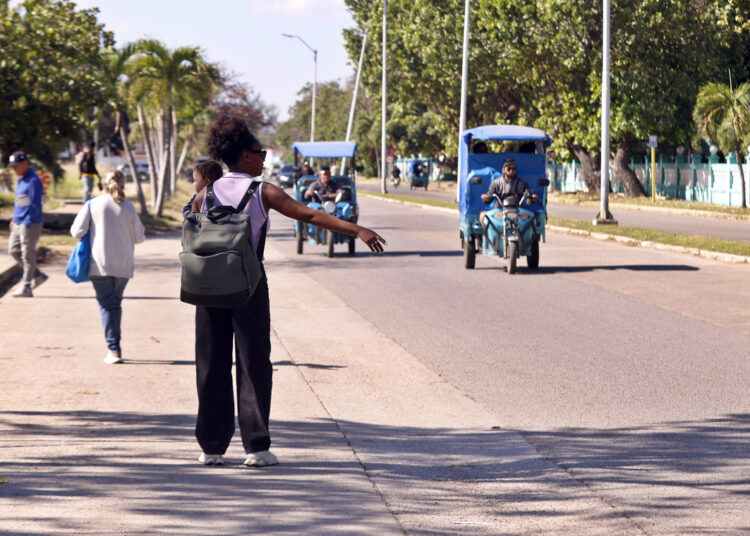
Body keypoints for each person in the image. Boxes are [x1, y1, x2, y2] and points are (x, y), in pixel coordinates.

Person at [189, 115, 386, 467]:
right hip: (247, 286)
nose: (263, 156)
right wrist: (356, 230)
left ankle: (212, 447)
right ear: (244, 156)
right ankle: (256, 448)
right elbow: (309, 216)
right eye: (258, 151)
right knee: (252, 364)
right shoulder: (262, 191)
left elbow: (191, 233)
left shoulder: (205, 193)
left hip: (207, 285)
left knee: (210, 363)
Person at [70, 170, 146, 364]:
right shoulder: (128, 206)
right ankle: (115, 347)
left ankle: (114, 349)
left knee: (106, 305)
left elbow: (76, 231)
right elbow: (139, 237)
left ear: (104, 183)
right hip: (123, 264)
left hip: (100, 263)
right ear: (123, 184)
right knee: (115, 304)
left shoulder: (93, 204)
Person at [7, 151, 46, 298]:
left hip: (30, 223)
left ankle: (26, 287)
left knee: (27, 255)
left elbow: (35, 205)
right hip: (18, 221)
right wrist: (14, 219)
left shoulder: (33, 181)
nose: (14, 169)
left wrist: (26, 223)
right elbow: (20, 201)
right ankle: (37, 275)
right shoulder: (20, 178)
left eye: (16, 166)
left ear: (25, 163)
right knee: (13, 250)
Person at [479, 158, 538, 229]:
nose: (512, 171)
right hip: (500, 212)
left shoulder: (522, 183)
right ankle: (489, 239)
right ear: (503, 169)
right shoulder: (496, 183)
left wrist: (533, 199)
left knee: (533, 219)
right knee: (482, 216)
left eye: (514, 169)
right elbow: (488, 199)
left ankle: (528, 239)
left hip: (518, 211)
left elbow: (528, 200)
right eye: (509, 169)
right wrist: (485, 198)